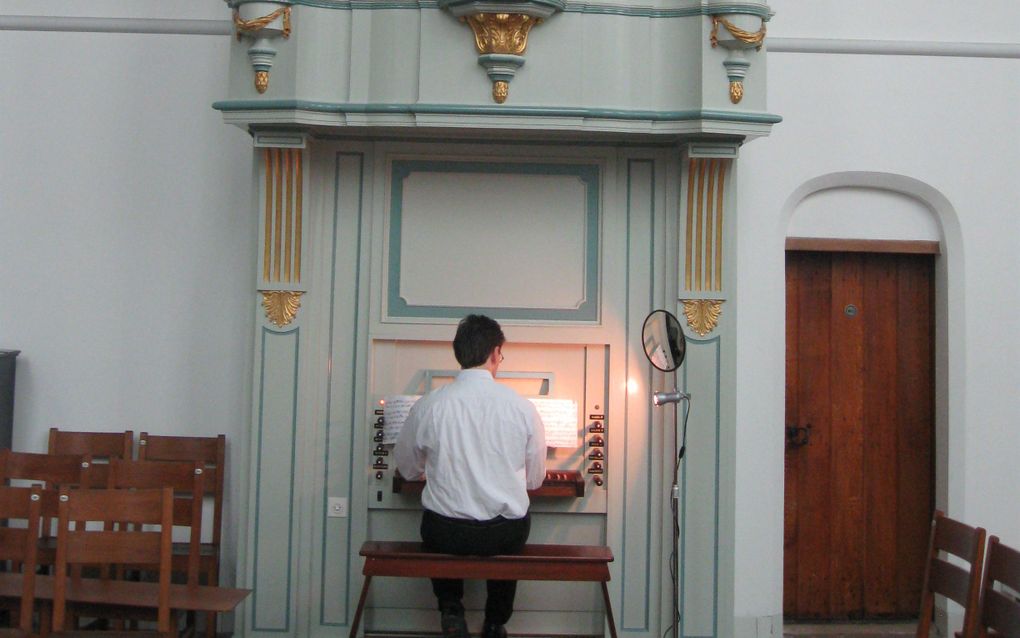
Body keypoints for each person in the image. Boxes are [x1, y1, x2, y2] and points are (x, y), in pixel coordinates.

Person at [394, 314, 547, 638]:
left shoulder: (430, 405)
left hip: (446, 532)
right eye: (501, 355)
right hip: (503, 534)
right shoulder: (521, 408)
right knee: (515, 522)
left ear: (459, 353)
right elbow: (534, 481)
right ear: (495, 353)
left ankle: (451, 610)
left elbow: (407, 468)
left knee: (436, 521)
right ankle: (495, 622)